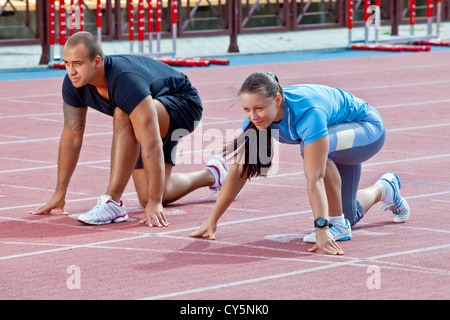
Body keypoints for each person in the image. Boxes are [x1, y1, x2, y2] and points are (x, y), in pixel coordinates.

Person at [190, 71, 410, 255]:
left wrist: (322, 227)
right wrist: (213, 219)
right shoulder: (255, 121)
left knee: (311, 152)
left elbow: (315, 177)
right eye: (246, 109)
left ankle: (338, 226)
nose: (253, 116)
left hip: (367, 129)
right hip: (338, 138)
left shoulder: (308, 112)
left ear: (277, 100)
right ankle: (385, 188)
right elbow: (241, 170)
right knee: (349, 213)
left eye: (258, 108)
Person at [29, 31, 230, 227]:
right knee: (151, 193)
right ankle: (213, 174)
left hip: (184, 103)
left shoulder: (125, 81)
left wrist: (155, 203)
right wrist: (59, 192)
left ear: (97, 62)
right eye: (66, 63)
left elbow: (151, 143)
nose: (70, 70)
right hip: (148, 110)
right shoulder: (73, 83)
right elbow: (72, 136)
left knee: (123, 114)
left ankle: (112, 202)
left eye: (78, 63)